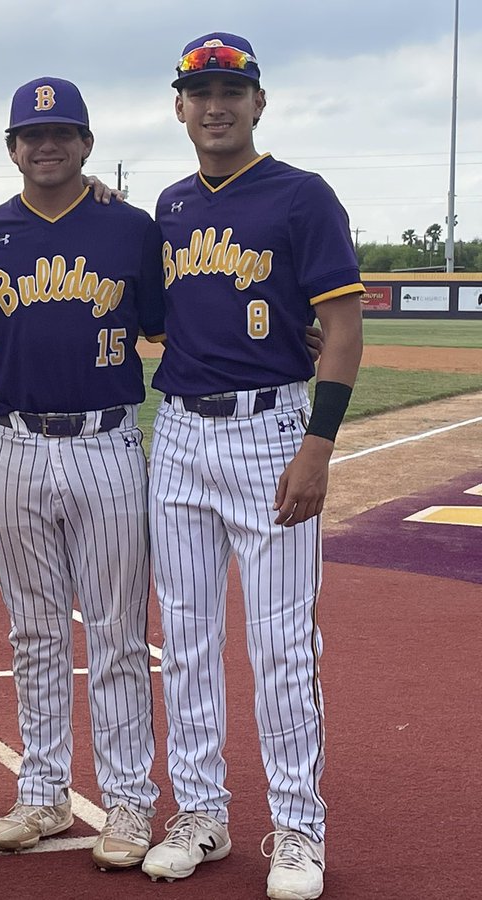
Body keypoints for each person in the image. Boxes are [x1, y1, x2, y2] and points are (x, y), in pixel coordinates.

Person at [140, 33, 363, 900]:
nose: (216, 103)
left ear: (258, 102)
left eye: (232, 88)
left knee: (280, 647)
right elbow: (166, 320)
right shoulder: (168, 205)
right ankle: (200, 811)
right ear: (180, 106)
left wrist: (319, 445)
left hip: (271, 433)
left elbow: (342, 329)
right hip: (182, 437)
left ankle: (298, 827)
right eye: (201, 91)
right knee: (187, 641)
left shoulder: (302, 196)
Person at [0, 77, 163, 866]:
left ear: (87, 144)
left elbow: (177, 322)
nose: (46, 145)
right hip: (16, 446)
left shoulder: (131, 228)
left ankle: (130, 801)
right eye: (32, 134)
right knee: (33, 630)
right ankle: (43, 794)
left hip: (106, 444)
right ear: (12, 148)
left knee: (115, 632)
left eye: (62, 132)